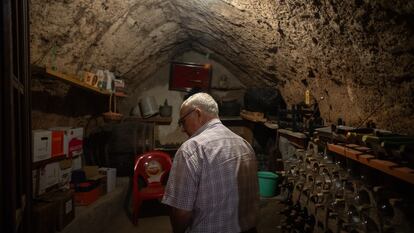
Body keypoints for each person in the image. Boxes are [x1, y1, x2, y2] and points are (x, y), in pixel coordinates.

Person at [162, 92, 259, 233]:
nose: (182, 129)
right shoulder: (244, 144)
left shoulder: (191, 149)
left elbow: (181, 212)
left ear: (198, 113)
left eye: (183, 121)